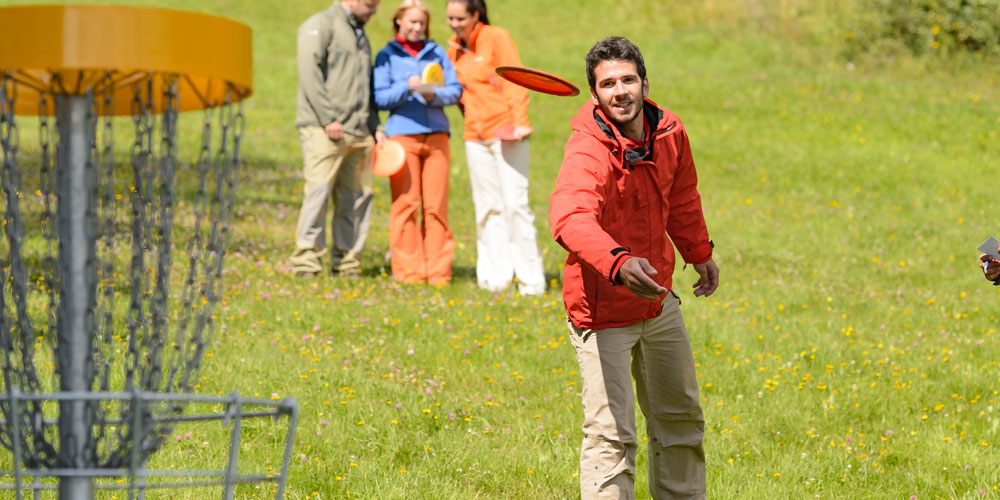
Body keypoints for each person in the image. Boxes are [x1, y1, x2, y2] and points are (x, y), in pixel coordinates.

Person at [549, 36, 719, 500]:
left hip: (659, 302)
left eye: (627, 79)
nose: (620, 91)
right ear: (595, 96)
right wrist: (618, 263)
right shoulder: (588, 148)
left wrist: (698, 252)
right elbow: (570, 216)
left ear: (645, 82)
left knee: (681, 419)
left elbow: (682, 198)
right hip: (603, 310)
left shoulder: (669, 133)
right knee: (611, 436)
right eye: (608, 84)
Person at [445, 0, 546, 295]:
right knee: (487, 207)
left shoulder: (495, 37)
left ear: (476, 15)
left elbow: (515, 79)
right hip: (474, 137)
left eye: (460, 18)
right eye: (450, 18)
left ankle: (531, 282)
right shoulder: (453, 48)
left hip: (507, 132)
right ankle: (494, 279)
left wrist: (520, 121)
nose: (454, 23)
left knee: (516, 204)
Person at [290, 0, 386, 278]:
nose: (374, 11)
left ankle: (347, 263)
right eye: (370, 4)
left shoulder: (359, 32)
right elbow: (310, 74)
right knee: (318, 195)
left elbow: (363, 84)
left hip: (359, 131)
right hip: (325, 129)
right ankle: (306, 263)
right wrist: (327, 118)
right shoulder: (320, 25)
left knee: (356, 198)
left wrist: (374, 124)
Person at [373, 0, 463, 285]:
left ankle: (438, 274)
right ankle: (409, 273)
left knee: (436, 207)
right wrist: (407, 87)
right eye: (411, 22)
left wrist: (432, 96)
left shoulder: (436, 52)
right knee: (406, 205)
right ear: (398, 22)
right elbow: (379, 98)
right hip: (401, 137)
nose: (416, 28)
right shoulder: (386, 55)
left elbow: (455, 90)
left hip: (437, 136)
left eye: (421, 23)